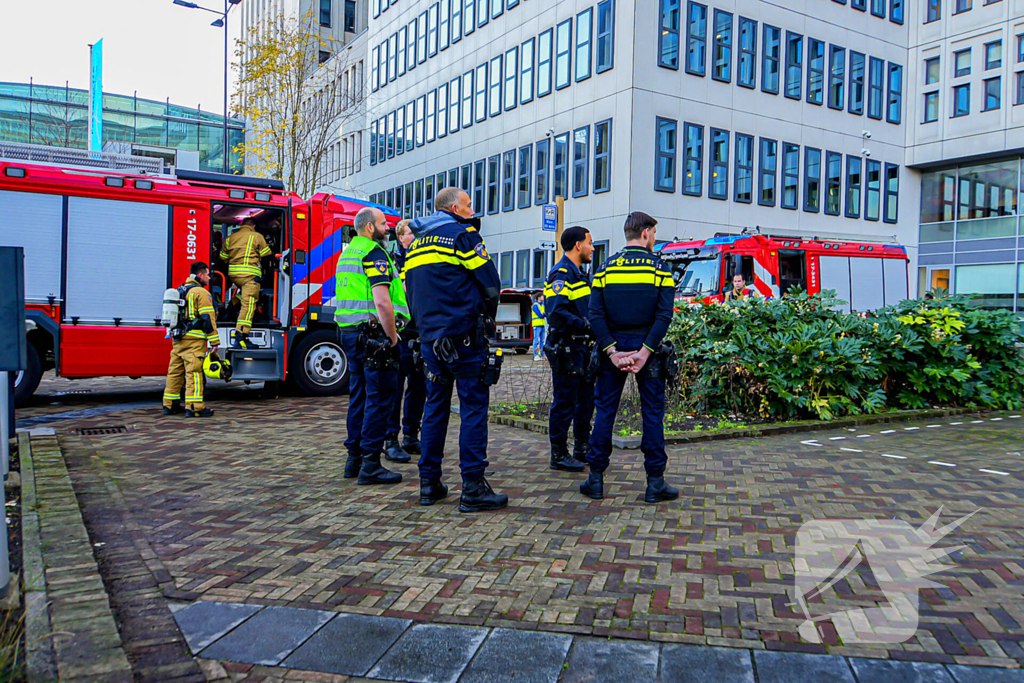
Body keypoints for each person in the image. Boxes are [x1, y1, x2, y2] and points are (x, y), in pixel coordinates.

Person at [405, 187, 507, 512]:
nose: (471, 208)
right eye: (468, 204)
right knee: (473, 410)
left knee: (434, 409)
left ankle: (428, 483)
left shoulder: (416, 244)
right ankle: (473, 488)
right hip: (464, 338)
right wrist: (487, 317)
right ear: (454, 207)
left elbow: (412, 291)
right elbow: (490, 283)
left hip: (431, 341)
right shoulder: (463, 236)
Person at [580, 211, 679, 504]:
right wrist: (646, 351)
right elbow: (664, 315)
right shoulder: (661, 269)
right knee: (652, 415)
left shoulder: (604, 269)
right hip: (648, 347)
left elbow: (594, 314)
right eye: (654, 234)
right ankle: (655, 483)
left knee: (605, 412)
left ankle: (595, 480)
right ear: (646, 233)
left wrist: (611, 351)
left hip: (614, 347)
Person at [337, 207, 410, 486]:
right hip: (375, 337)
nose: (387, 228)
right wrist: (392, 336)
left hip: (352, 336)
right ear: (370, 227)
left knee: (359, 398)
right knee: (380, 400)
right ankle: (371, 465)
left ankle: (353, 460)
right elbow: (382, 301)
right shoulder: (373, 252)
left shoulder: (348, 253)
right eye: (383, 224)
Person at [544, 226, 596, 472]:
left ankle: (582, 448)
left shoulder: (579, 273)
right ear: (578, 245)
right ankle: (559, 453)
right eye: (589, 243)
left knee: (586, 400)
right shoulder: (561, 273)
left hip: (582, 348)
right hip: (566, 348)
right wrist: (584, 324)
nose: (592, 248)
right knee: (565, 400)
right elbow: (555, 313)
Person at [383, 220, 427, 463]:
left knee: (418, 387)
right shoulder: (393, 262)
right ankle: (391, 439)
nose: (410, 237)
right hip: (400, 333)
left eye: (412, 233)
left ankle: (411, 434)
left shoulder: (422, 260)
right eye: (407, 234)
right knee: (396, 388)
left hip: (420, 333)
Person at [163, 261, 219, 418]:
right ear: (200, 275)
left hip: (178, 338)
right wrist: (214, 341)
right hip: (194, 340)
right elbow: (208, 318)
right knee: (194, 372)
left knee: (175, 372)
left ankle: (170, 404)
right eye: (208, 274)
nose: (209, 278)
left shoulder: (180, 290)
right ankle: (195, 407)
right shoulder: (201, 293)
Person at [220, 217, 272, 347]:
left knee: (243, 295)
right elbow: (267, 257)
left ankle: (228, 312)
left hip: (233, 276)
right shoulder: (257, 236)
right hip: (249, 276)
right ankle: (241, 336)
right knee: (248, 305)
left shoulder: (230, 238)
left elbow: (223, 258)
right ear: (253, 226)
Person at [531, 294, 547, 361]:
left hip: (542, 325)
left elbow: (544, 314)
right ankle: (536, 355)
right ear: (538, 297)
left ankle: (541, 354)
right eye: (542, 296)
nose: (543, 297)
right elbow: (540, 315)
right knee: (536, 340)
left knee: (542, 341)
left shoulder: (542, 305)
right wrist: (543, 314)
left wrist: (543, 314)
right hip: (537, 325)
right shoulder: (535, 305)